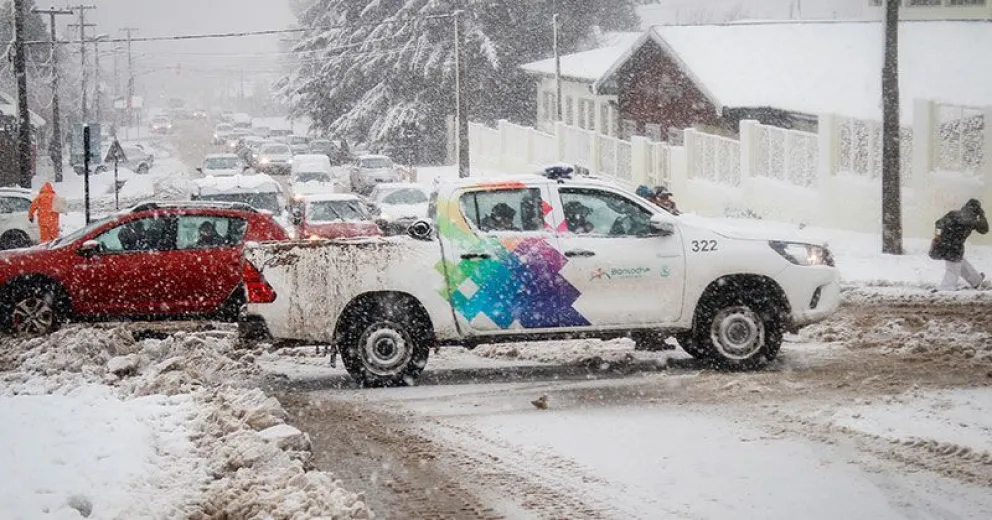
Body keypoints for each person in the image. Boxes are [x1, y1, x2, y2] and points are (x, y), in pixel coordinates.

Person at [930, 198, 988, 291]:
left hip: (945, 244)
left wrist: (937, 237)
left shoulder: (953, 214)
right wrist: (982, 215)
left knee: (960, 263)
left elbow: (938, 223)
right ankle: (946, 287)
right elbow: (985, 229)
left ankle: (976, 280)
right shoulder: (972, 221)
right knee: (953, 268)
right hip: (953, 247)